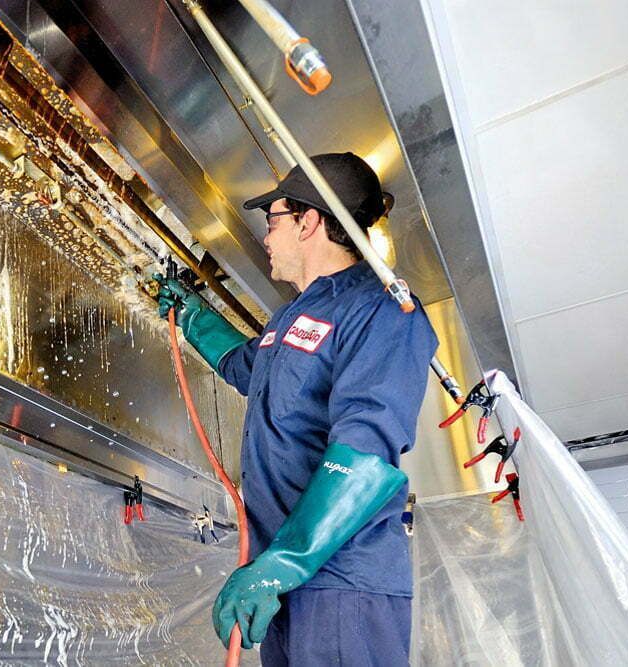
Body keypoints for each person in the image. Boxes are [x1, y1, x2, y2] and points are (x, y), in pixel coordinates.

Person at [156, 153, 437, 666]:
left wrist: (282, 564)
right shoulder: (292, 317)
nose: (266, 235)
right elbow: (249, 368)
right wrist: (193, 317)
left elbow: (365, 452)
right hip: (285, 579)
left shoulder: (381, 309)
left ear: (309, 221)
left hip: (341, 581)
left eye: (273, 220)